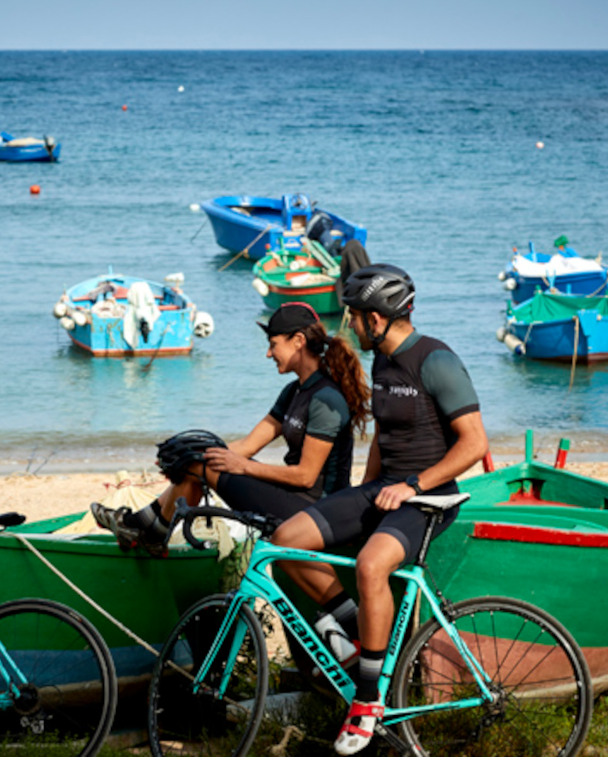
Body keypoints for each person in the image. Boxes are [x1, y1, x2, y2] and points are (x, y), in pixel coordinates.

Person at [270, 264, 488, 756]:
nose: (348, 326)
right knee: (284, 540)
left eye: (354, 317)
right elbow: (385, 439)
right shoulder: (383, 363)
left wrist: (413, 485)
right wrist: (361, 496)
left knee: (371, 564)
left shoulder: (436, 360)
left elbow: (474, 444)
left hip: (430, 497)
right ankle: (351, 632)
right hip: (388, 487)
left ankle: (368, 701)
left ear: (376, 317)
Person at [91, 301, 370, 555]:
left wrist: (242, 466)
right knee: (200, 460)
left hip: (315, 510)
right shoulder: (293, 392)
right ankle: (146, 525)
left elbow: (305, 476)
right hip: (293, 497)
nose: (268, 353)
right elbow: (247, 446)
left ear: (298, 341)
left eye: (273, 344)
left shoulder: (326, 399)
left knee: (206, 466)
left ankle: (147, 528)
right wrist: (194, 455)